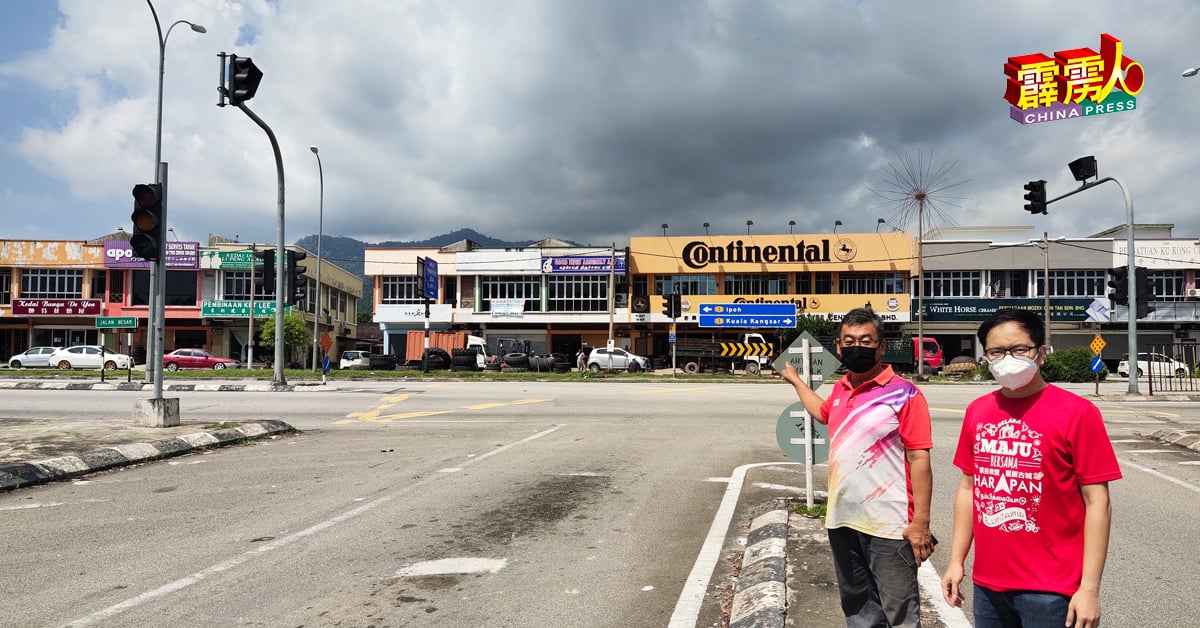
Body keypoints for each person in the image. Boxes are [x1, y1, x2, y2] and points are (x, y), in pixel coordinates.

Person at [940, 309, 1121, 628]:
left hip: (1052, 591)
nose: (1007, 358)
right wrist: (956, 561)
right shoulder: (978, 412)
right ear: (986, 357)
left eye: (1019, 349)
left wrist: (1089, 588)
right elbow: (969, 488)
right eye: (997, 351)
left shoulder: (1077, 413)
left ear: (1041, 353)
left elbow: (1098, 503)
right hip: (988, 587)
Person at [781, 307, 934, 628]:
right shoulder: (840, 389)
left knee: (900, 612)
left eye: (866, 341)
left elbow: (920, 459)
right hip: (843, 519)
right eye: (849, 341)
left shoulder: (905, 394)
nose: (857, 347)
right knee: (859, 609)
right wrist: (795, 381)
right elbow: (823, 413)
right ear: (838, 346)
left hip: (889, 525)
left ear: (881, 347)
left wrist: (920, 522)